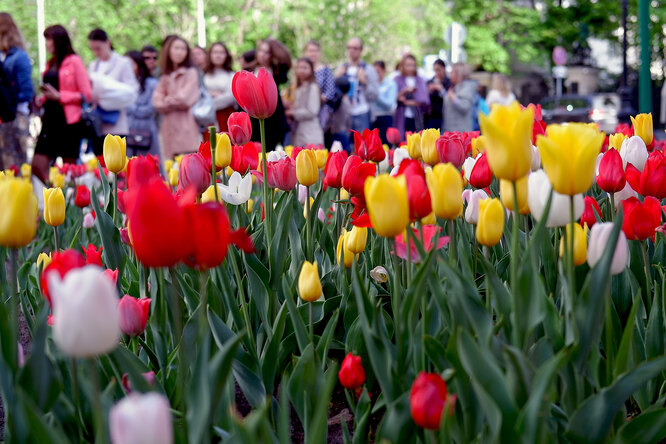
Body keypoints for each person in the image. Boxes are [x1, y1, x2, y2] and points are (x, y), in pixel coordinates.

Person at [32, 25, 92, 183]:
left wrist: (60, 96)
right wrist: (43, 99)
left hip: (69, 121)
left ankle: (69, 201)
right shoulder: (51, 63)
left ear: (58, 40)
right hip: (49, 120)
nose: (46, 43)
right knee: (37, 165)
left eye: (48, 39)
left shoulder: (74, 61)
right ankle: (56, 192)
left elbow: (86, 94)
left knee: (69, 169)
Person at [87, 28, 138, 153]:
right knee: (99, 165)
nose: (95, 52)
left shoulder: (123, 63)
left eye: (98, 48)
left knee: (116, 166)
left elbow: (132, 91)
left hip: (117, 124)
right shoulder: (93, 65)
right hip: (97, 123)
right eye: (92, 49)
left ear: (108, 43)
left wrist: (109, 95)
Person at [152, 36, 200, 159]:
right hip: (168, 129)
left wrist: (167, 100)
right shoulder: (164, 76)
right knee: (171, 169)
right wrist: (173, 101)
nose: (179, 52)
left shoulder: (191, 73)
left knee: (188, 164)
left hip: (186, 127)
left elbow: (185, 99)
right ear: (168, 50)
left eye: (183, 49)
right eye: (176, 48)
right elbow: (156, 102)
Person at [0, 12, 33, 170]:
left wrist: (8, 99)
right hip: (4, 117)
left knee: (15, 166)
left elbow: (27, 91)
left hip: (16, 117)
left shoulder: (18, 57)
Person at [251, 38, 291, 150]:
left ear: (272, 55)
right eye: (261, 51)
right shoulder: (249, 69)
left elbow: (285, 59)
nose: (263, 55)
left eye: (267, 52)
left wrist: (273, 43)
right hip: (253, 117)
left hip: (273, 118)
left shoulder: (277, 71)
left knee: (270, 150)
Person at [334, 37, 379, 133]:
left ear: (361, 50)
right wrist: (337, 78)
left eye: (355, 48)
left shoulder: (368, 69)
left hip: (362, 112)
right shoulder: (341, 68)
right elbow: (332, 93)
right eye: (349, 47)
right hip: (344, 113)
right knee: (344, 146)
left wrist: (364, 82)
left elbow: (375, 95)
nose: (352, 51)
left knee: (363, 146)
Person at [125, 51, 160, 159]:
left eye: (130, 64)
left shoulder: (152, 83)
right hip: (128, 129)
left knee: (149, 163)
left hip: (147, 129)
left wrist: (131, 107)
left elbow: (151, 108)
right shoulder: (123, 85)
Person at [286, 58, 323, 146]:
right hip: (299, 132)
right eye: (299, 67)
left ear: (311, 69)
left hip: (310, 132)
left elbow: (312, 111)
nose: (301, 70)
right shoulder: (298, 87)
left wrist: (293, 112)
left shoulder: (313, 87)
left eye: (304, 67)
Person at [303, 40, 335, 135]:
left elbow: (330, 93)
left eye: (315, 51)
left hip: (320, 110)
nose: (313, 53)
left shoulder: (325, 70)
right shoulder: (302, 69)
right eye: (310, 50)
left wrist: (317, 99)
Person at [203, 41, 236, 133]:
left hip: (226, 117)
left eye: (221, 52)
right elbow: (199, 96)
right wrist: (211, 95)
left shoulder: (231, 75)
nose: (218, 55)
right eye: (215, 52)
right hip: (207, 119)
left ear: (226, 55)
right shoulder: (203, 75)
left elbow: (231, 97)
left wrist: (210, 99)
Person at [393, 54, 429, 139]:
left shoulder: (420, 80)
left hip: (417, 118)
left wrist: (406, 102)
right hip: (401, 117)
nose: (411, 68)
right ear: (403, 65)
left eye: (413, 65)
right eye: (408, 65)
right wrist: (404, 91)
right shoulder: (397, 79)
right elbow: (393, 97)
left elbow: (424, 100)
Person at [443, 62, 477, 132]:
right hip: (451, 131)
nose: (450, 75)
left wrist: (453, 97)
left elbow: (464, 106)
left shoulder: (467, 88)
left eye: (452, 72)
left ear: (459, 74)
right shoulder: (455, 88)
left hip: (461, 132)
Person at [371, 61, 397, 144]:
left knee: (385, 146)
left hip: (385, 117)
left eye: (378, 71)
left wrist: (376, 96)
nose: (375, 74)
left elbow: (389, 104)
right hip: (372, 119)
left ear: (384, 71)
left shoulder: (390, 84)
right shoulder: (371, 85)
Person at [426, 59, 450, 131]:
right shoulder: (430, 81)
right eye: (435, 70)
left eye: (439, 70)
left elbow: (449, 99)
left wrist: (441, 89)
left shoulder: (449, 82)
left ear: (444, 69)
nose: (437, 73)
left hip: (444, 116)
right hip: (432, 116)